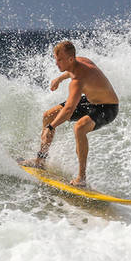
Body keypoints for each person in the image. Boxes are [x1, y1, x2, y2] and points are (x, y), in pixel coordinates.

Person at [26, 40, 119, 187]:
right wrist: (59, 79)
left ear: (70, 59)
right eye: (56, 59)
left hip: (107, 107)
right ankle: (40, 160)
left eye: (60, 60)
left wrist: (51, 127)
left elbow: (68, 110)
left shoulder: (78, 81)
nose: (57, 63)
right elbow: (71, 70)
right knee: (48, 115)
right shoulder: (78, 61)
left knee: (79, 128)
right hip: (90, 101)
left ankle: (81, 178)